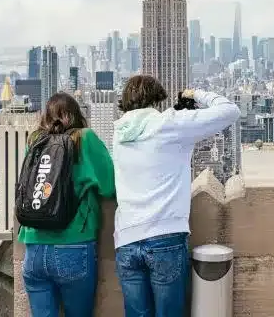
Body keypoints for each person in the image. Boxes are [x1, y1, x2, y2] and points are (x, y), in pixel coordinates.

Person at [112, 77, 241, 317]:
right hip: (164, 237)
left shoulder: (119, 132)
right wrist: (195, 94)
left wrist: (176, 113)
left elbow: (149, 131)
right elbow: (230, 111)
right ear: (156, 98)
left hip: (126, 239)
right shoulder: (170, 124)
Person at [19, 92, 116, 317]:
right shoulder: (85, 138)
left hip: (33, 248)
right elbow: (109, 187)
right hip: (74, 245)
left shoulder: (35, 141)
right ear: (75, 115)